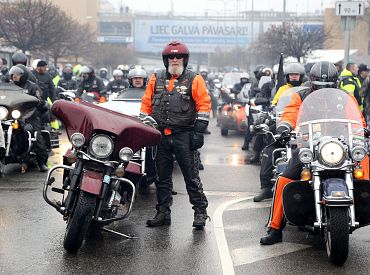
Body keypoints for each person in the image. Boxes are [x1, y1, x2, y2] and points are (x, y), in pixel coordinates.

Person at [260, 61, 347, 244]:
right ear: (312, 82)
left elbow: (357, 118)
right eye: (320, 86)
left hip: (338, 146)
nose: (324, 89)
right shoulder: (301, 96)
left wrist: (362, 129)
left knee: (363, 166)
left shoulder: (344, 97)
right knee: (284, 179)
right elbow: (291, 113)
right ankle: (275, 228)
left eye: (329, 85)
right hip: (308, 145)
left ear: (335, 83)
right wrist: (284, 126)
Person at [140, 40, 211, 229]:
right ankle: (163, 213)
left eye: (178, 56)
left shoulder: (194, 79)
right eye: (171, 56)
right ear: (165, 59)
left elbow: (204, 104)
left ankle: (200, 212)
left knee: (191, 177)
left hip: (184, 135)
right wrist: (147, 126)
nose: (175, 59)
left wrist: (199, 131)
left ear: (185, 59)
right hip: (160, 135)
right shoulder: (155, 78)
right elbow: (146, 105)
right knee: (161, 178)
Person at [8, 64, 49, 172]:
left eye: (17, 74)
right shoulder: (9, 86)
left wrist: (36, 100)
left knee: (35, 135)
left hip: (29, 115)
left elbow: (39, 100)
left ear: (24, 75)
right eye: (13, 74)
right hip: (12, 114)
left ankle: (41, 162)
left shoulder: (32, 86)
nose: (14, 76)